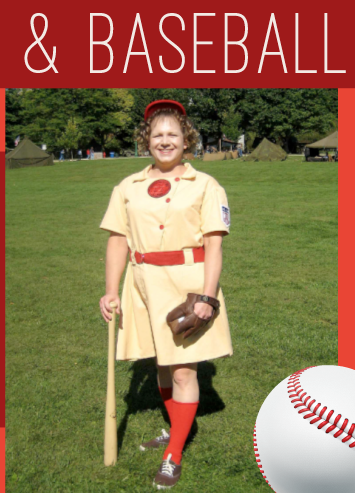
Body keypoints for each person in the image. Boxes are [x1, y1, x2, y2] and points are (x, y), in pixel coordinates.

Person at [99, 100, 233, 490]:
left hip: (187, 284)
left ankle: (173, 452)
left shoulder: (206, 185)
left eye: (172, 133)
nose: (164, 141)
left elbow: (214, 245)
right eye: (157, 134)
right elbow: (117, 241)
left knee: (185, 369)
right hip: (143, 284)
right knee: (160, 365)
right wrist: (110, 291)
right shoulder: (128, 187)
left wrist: (207, 297)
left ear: (186, 138)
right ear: (147, 140)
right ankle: (177, 428)